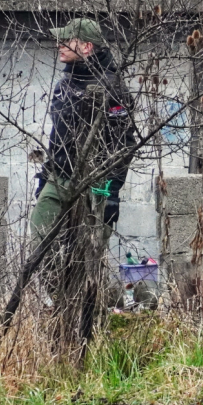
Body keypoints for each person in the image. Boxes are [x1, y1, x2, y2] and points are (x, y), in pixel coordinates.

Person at [33, 18, 135, 253]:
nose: (60, 44)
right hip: (59, 179)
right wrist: (46, 178)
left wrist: (110, 192)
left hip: (96, 182)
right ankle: (56, 290)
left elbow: (124, 145)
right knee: (40, 243)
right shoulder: (64, 85)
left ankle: (86, 291)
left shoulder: (113, 88)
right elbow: (56, 137)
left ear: (86, 47)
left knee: (88, 253)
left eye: (67, 40)